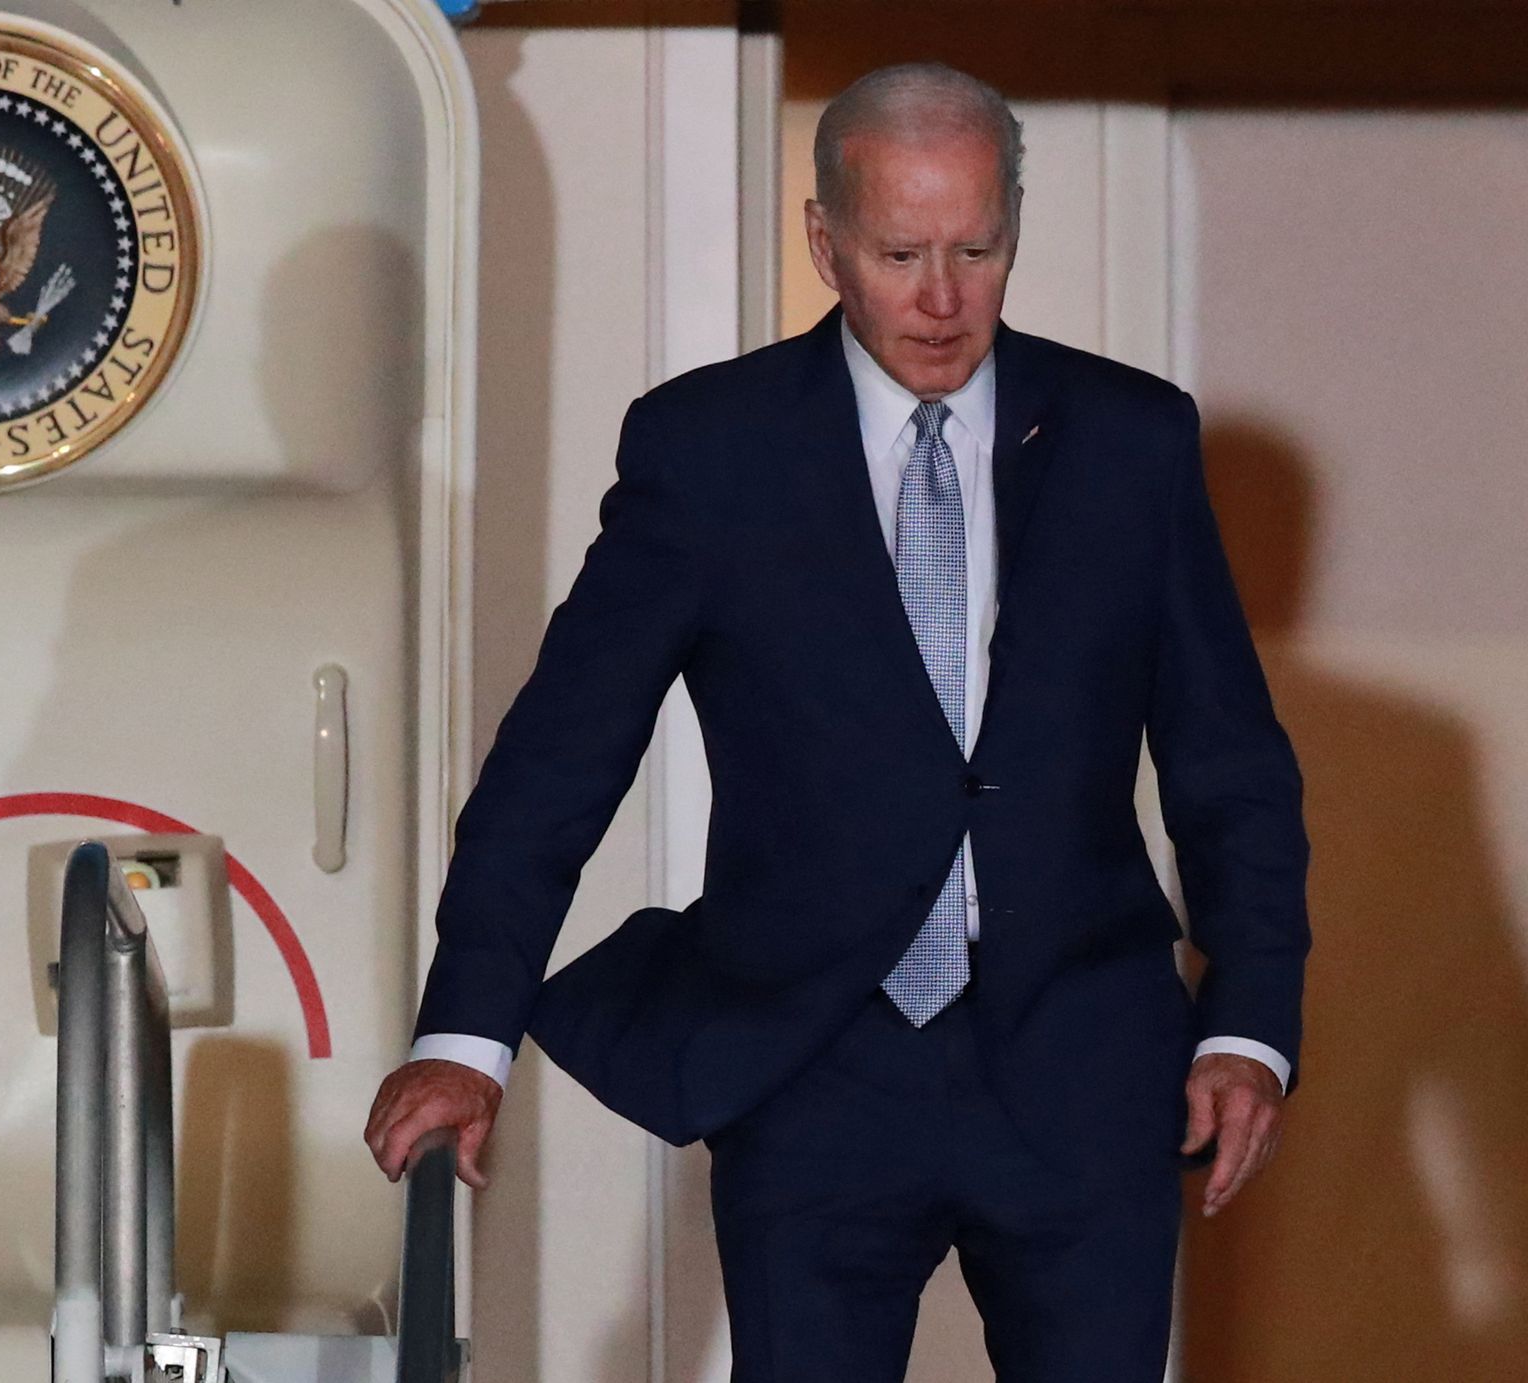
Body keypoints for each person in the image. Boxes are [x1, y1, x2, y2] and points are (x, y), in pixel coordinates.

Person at [366, 61, 1309, 1381]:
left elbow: (1230, 768)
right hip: (814, 1067)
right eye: (901, 251)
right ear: (826, 242)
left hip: (1086, 1068)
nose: (942, 296)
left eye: (977, 250)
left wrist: (1248, 1022)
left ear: (1011, 233)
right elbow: (560, 761)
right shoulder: (710, 452)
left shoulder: (1127, 443)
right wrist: (465, 1038)